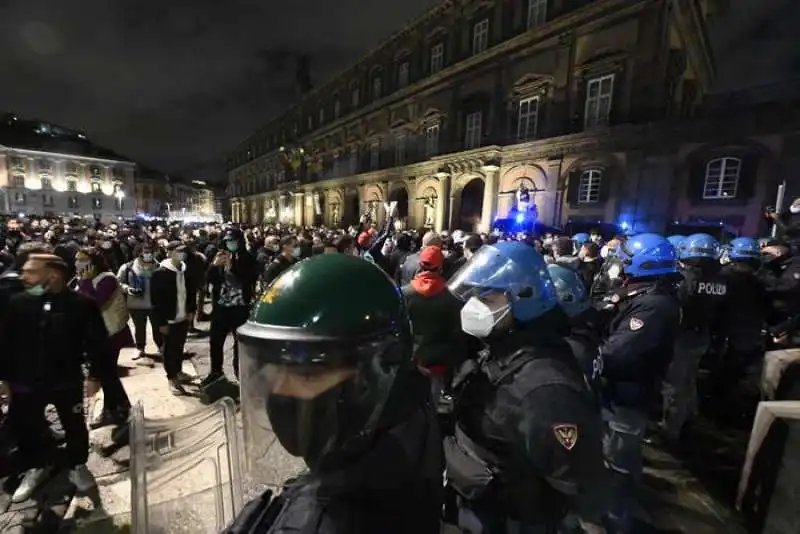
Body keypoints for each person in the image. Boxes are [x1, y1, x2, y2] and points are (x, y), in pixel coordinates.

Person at [227, 253, 443, 534]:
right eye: (272, 370)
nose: (279, 389)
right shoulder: (406, 416)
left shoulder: (329, 518)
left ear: (378, 371)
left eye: (306, 373)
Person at [445, 241, 607, 533]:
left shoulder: (546, 388)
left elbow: (574, 479)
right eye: (473, 296)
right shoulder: (505, 346)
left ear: (525, 299)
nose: (473, 306)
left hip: (511, 519)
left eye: (487, 299)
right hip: (479, 500)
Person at [0, 254, 106, 502]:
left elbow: (96, 343)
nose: (24, 276)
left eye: (31, 271)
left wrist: (95, 375)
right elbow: (6, 342)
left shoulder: (81, 304)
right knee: (30, 427)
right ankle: (37, 466)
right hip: (25, 383)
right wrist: (4, 377)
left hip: (66, 381)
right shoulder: (18, 302)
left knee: (74, 425)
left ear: (53, 274)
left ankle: (77, 465)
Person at [597, 233, 681, 533]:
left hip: (628, 395)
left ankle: (617, 519)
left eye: (627, 259)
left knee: (618, 462)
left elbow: (619, 354)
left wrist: (588, 357)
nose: (620, 263)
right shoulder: (643, 294)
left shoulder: (655, 306)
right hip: (619, 392)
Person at [662, 233, 726, 441]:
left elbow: (675, 309)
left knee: (674, 386)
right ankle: (690, 417)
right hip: (703, 335)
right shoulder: (721, 278)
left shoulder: (684, 279)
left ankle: (670, 430)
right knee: (689, 380)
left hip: (682, 337)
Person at [74, 246, 133, 429]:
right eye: (77, 259)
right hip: (95, 335)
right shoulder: (82, 279)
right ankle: (117, 407)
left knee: (106, 374)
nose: (78, 263)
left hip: (109, 334)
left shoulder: (107, 279)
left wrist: (84, 282)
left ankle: (117, 408)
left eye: (83, 259)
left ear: (94, 262)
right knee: (107, 373)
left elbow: (93, 303)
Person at [150, 242, 198, 395]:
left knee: (179, 347)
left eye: (184, 251)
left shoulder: (186, 270)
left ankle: (179, 372)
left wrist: (191, 310)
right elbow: (156, 300)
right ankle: (172, 378)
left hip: (182, 317)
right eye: (178, 251)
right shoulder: (160, 273)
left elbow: (191, 292)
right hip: (169, 319)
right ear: (169, 252)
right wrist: (161, 322)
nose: (182, 253)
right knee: (169, 350)